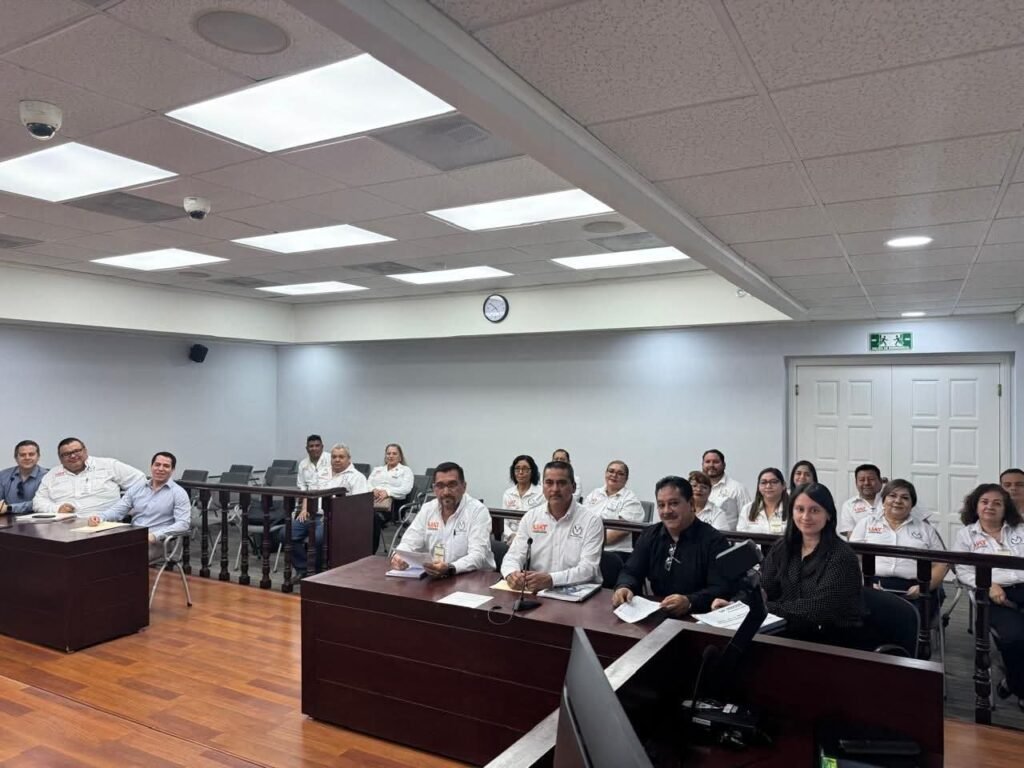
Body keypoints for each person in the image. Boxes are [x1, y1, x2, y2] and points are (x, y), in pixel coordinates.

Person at [716, 483, 863, 646]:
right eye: (800, 509)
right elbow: (764, 587)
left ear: (828, 515)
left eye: (814, 510)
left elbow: (818, 609)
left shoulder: (842, 556)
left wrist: (763, 608)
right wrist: (736, 605)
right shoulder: (783, 547)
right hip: (788, 632)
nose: (806, 517)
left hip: (831, 642)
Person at [612, 475, 730, 617]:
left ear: (691, 503)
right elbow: (631, 571)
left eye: (674, 503)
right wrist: (624, 586)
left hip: (697, 617)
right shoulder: (650, 535)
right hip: (656, 612)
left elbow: (721, 588)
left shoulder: (714, 541)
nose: (666, 511)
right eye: (661, 505)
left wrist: (690, 601)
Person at [953, 483, 1024, 709]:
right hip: (991, 594)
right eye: (984, 502)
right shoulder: (966, 535)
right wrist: (988, 585)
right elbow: (962, 570)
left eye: (997, 503)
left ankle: (1011, 681)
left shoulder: (1020, 529)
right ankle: (1019, 686)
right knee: (1014, 637)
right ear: (975, 506)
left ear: (1006, 508)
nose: (990, 506)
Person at [501, 460, 603, 591]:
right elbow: (513, 556)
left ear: (573, 487)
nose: (555, 489)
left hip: (579, 591)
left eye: (562, 483)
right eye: (549, 483)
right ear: (542, 486)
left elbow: (588, 569)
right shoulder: (531, 517)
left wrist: (552, 579)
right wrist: (511, 574)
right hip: (538, 591)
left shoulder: (591, 521)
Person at [850, 479, 947, 615]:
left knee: (912, 618)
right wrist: (864, 583)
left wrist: (924, 587)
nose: (898, 501)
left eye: (905, 498)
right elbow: (851, 558)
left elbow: (941, 564)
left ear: (912, 504)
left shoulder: (926, 529)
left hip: (915, 588)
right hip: (872, 585)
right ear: (883, 501)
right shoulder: (865, 524)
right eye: (892, 496)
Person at [390, 462, 494, 576]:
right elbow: (409, 542)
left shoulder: (478, 511)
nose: (446, 492)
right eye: (440, 486)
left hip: (474, 578)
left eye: (452, 485)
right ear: (434, 488)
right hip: (435, 576)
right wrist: (399, 556)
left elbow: (478, 555)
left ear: (464, 487)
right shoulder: (428, 509)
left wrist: (450, 568)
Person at [88, 451, 190, 561]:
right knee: (97, 550)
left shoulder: (178, 493)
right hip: (133, 537)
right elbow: (118, 510)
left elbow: (183, 524)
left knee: (120, 557)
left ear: (172, 470)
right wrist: (100, 518)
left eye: (166, 466)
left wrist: (155, 535)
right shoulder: (137, 488)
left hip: (158, 542)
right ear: (151, 466)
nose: (160, 469)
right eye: (157, 464)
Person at [293, 444, 368, 575]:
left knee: (317, 538)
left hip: (335, 518)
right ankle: (303, 568)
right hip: (313, 514)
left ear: (349, 459)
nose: (337, 460)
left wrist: (336, 516)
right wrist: (304, 508)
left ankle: (314, 572)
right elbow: (310, 492)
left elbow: (357, 505)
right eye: (334, 457)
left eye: (341, 457)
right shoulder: (322, 473)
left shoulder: (357, 477)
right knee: (285, 534)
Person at [33, 437, 145, 517]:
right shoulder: (52, 474)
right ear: (60, 458)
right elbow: (38, 502)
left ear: (85, 450)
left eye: (77, 451)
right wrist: (57, 509)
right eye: (67, 454)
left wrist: (124, 507)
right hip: (62, 525)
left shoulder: (108, 465)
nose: (73, 456)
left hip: (105, 523)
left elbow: (140, 481)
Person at [583, 460, 645, 560]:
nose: (614, 475)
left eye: (620, 473)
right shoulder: (594, 494)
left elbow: (620, 531)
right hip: (587, 546)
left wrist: (594, 543)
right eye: (611, 471)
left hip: (613, 552)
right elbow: (582, 518)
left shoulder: (631, 500)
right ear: (605, 474)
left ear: (626, 479)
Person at [701, 449, 749, 531]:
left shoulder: (737, 488)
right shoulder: (694, 489)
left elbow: (747, 519)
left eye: (715, 462)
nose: (711, 465)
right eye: (707, 462)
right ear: (702, 465)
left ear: (724, 465)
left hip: (727, 537)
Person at [501, 454, 544, 542]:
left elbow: (543, 521)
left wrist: (523, 537)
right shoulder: (508, 493)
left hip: (533, 538)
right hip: (511, 539)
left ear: (532, 471)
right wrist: (511, 535)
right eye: (517, 469)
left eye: (525, 469)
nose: (520, 472)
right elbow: (504, 522)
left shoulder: (541, 493)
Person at [368, 443, 415, 520]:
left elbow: (406, 489)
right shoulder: (377, 469)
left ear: (400, 457)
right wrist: (372, 490)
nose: (391, 456)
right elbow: (367, 484)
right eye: (388, 453)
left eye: (394, 454)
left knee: (372, 517)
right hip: (372, 501)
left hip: (393, 506)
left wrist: (388, 492)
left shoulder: (406, 470)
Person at [0, 440, 47, 515]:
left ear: (38, 457)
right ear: (16, 458)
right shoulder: (3, 475)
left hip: (37, 518)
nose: (27, 458)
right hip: (7, 518)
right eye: (22, 455)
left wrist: (9, 508)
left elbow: (41, 503)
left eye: (31, 454)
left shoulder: (47, 476)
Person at [737, 467, 789, 534]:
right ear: (758, 487)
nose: (768, 486)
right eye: (763, 482)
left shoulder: (793, 509)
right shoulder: (747, 509)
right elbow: (741, 537)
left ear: (783, 485)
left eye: (773, 482)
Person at [838, 464, 884, 537]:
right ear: (856, 483)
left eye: (871, 479)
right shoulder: (849, 505)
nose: (866, 483)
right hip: (860, 544)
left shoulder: (891, 501)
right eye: (862, 480)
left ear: (880, 481)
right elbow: (850, 534)